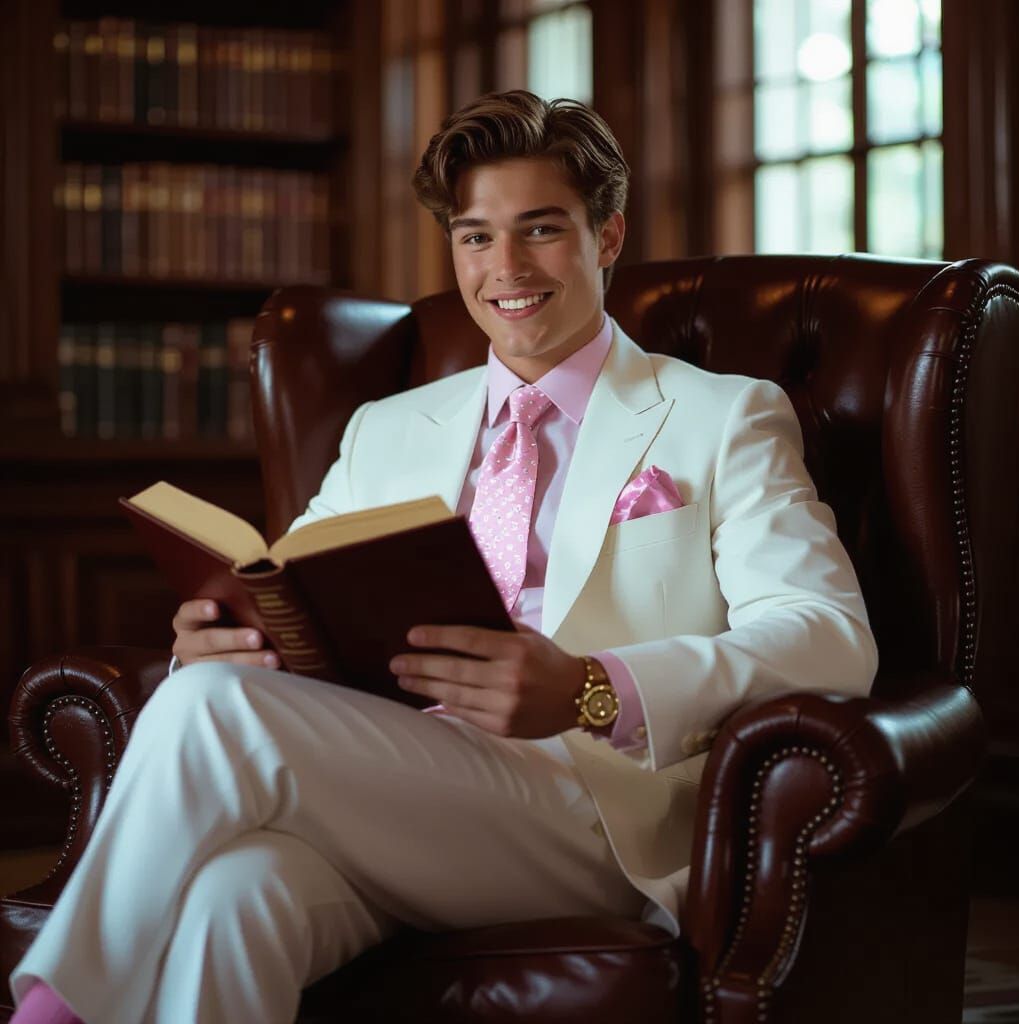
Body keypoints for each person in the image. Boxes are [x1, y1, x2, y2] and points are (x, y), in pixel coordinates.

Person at [8, 90, 877, 1024]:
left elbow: (829, 638)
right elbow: (291, 594)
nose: (506, 268)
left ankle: (51, 1012)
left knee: (212, 710)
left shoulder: (724, 416)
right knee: (236, 892)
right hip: (390, 790)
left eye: (540, 229)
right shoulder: (386, 429)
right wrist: (220, 640)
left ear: (608, 234)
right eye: (475, 237)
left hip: (592, 813)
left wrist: (592, 687)